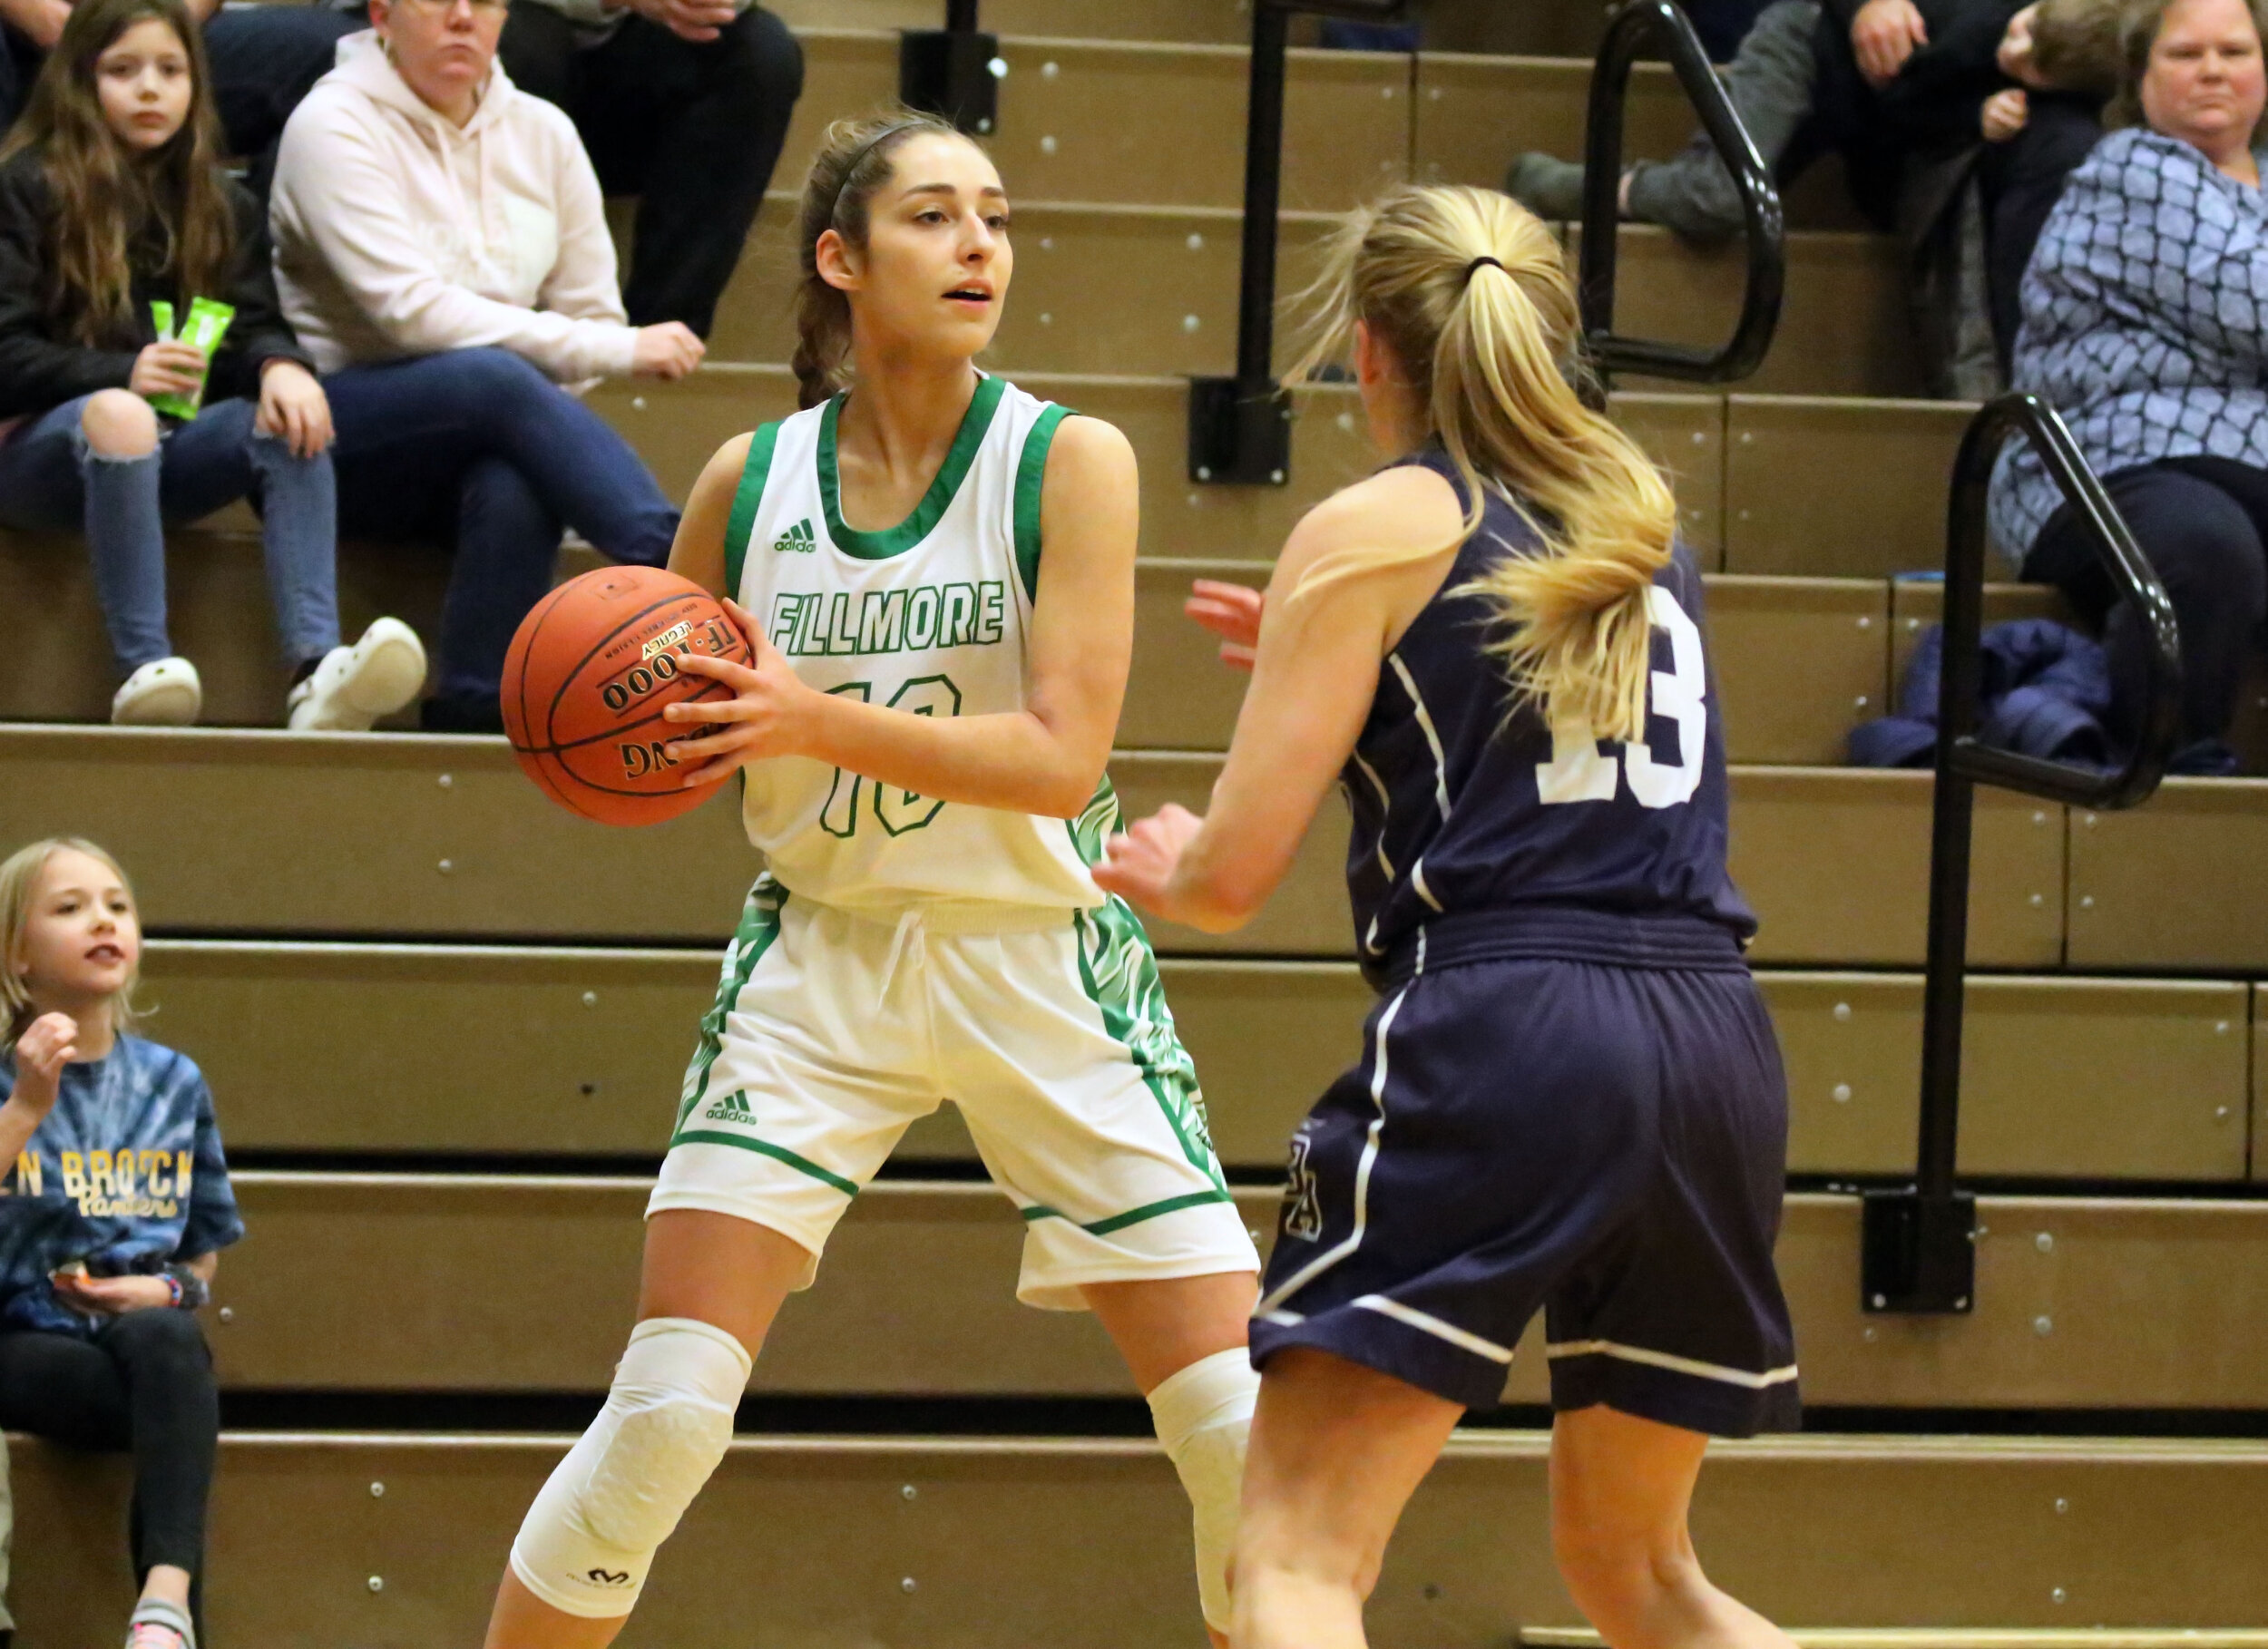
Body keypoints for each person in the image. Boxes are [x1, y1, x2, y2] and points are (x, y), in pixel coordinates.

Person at [478, 110, 1260, 1649]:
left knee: (1244, 1438)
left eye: (997, 215)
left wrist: (807, 717)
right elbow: (668, 715)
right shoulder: (746, 482)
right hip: (820, 962)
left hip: (1044, 959)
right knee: (663, 1420)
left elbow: (1059, 756)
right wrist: (619, 731)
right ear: (842, 258)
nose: (981, 244)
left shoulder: (1067, 458)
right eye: (934, 216)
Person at [1093, 183, 1800, 1649]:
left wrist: (1169, 862)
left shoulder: (1372, 525)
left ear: (1369, 352)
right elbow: (1535, 733)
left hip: (1513, 1030)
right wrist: (1326, 674)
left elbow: (1225, 881)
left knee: (1288, 1559)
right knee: (1645, 1576)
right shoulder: (1636, 516)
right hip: (1715, 1042)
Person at [269, 0, 701, 731]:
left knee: (517, 474)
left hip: (485, 427)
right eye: (440, 0)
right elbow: (410, 313)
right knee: (493, 381)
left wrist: (555, 374)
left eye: (487, 2)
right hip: (338, 435)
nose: (465, 18)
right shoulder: (332, 124)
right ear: (382, 13)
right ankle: (679, 561)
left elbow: (591, 314)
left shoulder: (544, 131)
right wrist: (614, 353)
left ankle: (472, 705)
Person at [0, 0, 425, 730]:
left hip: (161, 453)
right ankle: (143, 668)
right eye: (122, 70)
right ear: (78, 80)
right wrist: (117, 374)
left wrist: (278, 366)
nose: (149, 90)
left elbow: (253, 324)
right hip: (36, 457)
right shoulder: (26, 185)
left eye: (170, 70)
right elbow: (5, 355)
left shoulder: (220, 202)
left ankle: (317, 669)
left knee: (287, 417)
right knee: (121, 411)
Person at [1990, 0, 2268, 776]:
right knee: (2205, 546)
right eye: (2185, 54)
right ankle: (2164, 778)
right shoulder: (2128, 171)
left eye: (2234, 50)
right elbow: (2254, 305)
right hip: (2110, 461)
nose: (2212, 69)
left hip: (2250, 468)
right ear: (2139, 79)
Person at [0, 837, 245, 1649]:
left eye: (116, 905)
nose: (101, 920)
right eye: (69, 909)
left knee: (171, 1337)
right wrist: (28, 1107)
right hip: (24, 1341)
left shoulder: (174, 1080)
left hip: (143, 1348)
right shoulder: (6, 1078)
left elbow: (201, 1250)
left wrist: (166, 1289)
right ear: (18, 956)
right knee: (172, 1390)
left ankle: (164, 1608)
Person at [496, 0, 802, 338]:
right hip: (524, 58)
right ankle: (505, 319)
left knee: (759, 50)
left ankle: (663, 333)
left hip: (637, 90)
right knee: (509, 33)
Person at [1, 0, 364, 200]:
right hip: (22, 27)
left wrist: (162, 26)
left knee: (333, 46)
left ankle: (245, 266)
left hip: (156, 21)